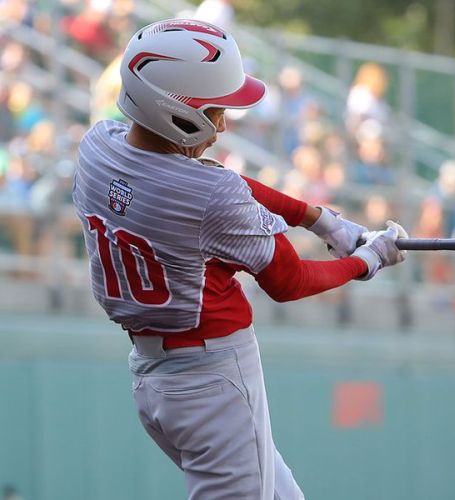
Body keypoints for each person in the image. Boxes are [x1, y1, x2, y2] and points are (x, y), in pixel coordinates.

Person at [72, 19, 407, 500]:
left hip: (156, 380)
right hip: (211, 380)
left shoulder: (97, 146)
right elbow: (287, 280)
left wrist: (319, 219)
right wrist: (367, 260)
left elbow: (203, 181)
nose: (223, 123)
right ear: (174, 111)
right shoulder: (209, 195)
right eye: (214, 110)